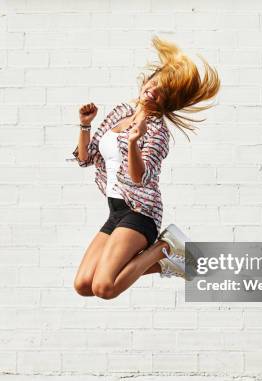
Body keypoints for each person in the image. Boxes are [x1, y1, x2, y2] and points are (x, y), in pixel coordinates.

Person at [68, 36, 220, 299]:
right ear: (146, 80)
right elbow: (86, 158)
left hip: (141, 213)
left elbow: (140, 178)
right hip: (115, 211)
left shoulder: (156, 131)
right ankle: (164, 261)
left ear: (167, 100)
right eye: (154, 82)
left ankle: (162, 247)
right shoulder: (119, 113)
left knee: (104, 288)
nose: (154, 89)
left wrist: (135, 141)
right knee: (83, 285)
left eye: (163, 90)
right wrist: (85, 125)